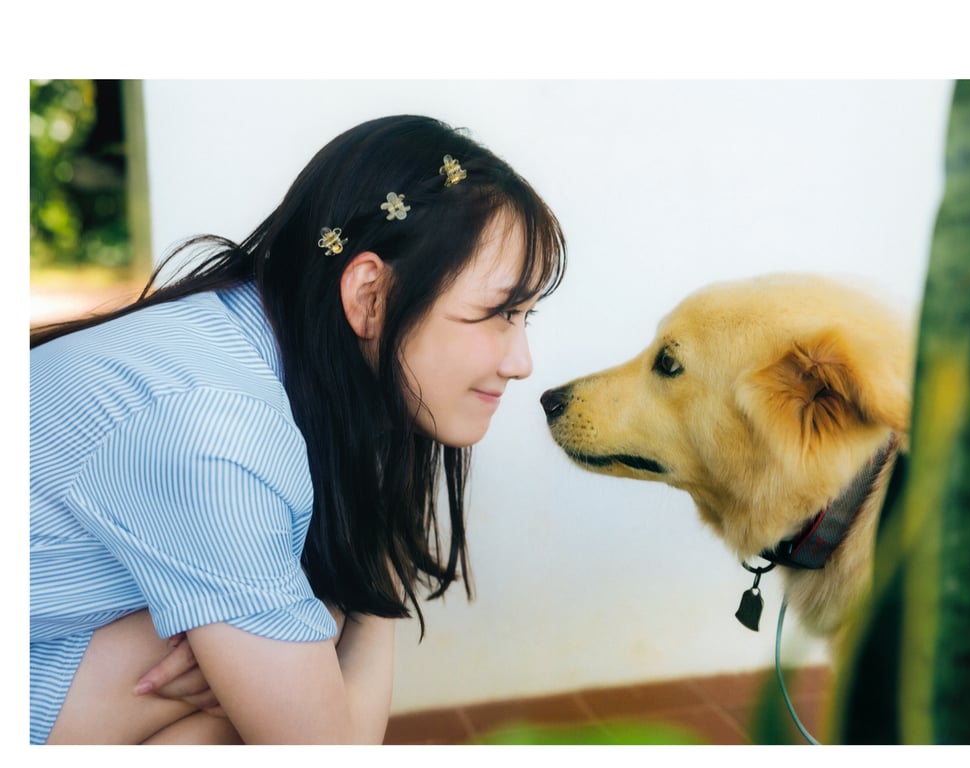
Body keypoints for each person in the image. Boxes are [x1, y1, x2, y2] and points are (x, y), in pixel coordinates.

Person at [29, 114, 567, 744]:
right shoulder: (218, 434)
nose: (522, 362)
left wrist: (327, 604)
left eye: (526, 315)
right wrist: (362, 596)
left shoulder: (252, 332)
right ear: (369, 295)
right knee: (265, 687)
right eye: (497, 313)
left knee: (274, 659)